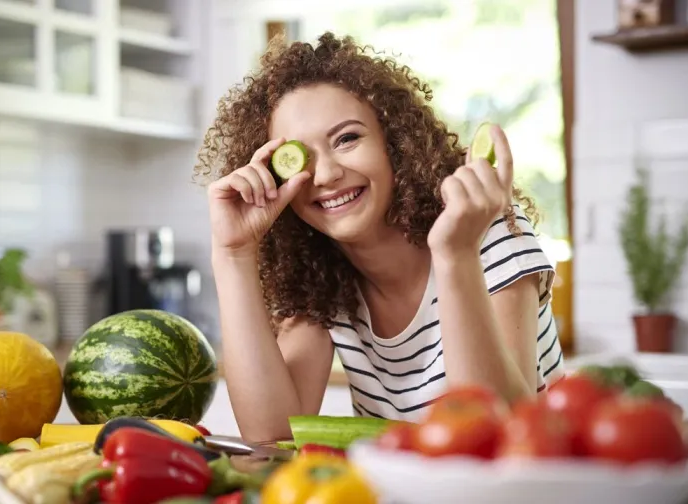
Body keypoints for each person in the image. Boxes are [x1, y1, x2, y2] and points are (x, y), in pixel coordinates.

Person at [193, 32, 565, 443]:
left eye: (347, 139)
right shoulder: (323, 281)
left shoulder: (485, 233)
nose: (327, 174)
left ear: (395, 143)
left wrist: (455, 255)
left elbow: (498, 431)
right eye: (300, 157)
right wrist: (233, 255)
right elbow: (271, 433)